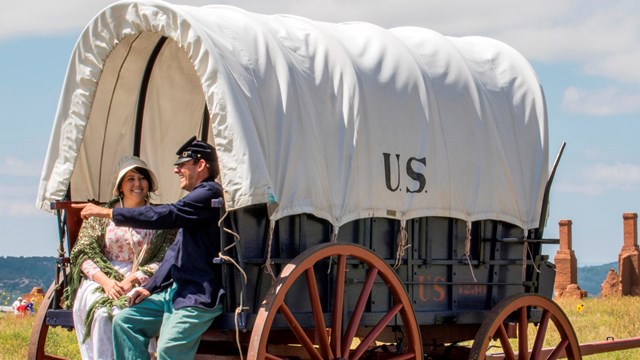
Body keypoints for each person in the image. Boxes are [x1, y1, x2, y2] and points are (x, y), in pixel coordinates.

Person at [76, 136, 224, 360]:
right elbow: (174, 252)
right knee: (125, 322)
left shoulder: (210, 193)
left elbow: (168, 214)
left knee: (168, 351)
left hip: (197, 293)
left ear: (201, 165)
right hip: (175, 291)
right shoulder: (195, 198)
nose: (177, 170)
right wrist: (150, 287)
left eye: (182, 165)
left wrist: (109, 213)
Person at [64, 156, 177, 360]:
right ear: (120, 187)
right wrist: (106, 282)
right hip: (103, 277)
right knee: (101, 314)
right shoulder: (100, 215)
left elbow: (165, 257)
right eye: (130, 179)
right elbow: (83, 252)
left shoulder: (159, 217)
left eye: (141, 178)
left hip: (145, 278)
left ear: (148, 184)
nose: (137, 184)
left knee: (125, 313)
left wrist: (134, 279)